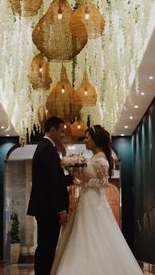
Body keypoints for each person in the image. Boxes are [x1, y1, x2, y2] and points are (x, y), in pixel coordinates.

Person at [51, 125, 143, 275]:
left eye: (87, 138)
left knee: (94, 234)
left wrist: (84, 179)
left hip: (94, 202)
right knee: (81, 235)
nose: (85, 140)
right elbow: (86, 178)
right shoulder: (92, 157)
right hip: (86, 198)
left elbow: (104, 182)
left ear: (96, 140)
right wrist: (75, 172)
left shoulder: (101, 158)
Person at [27, 117, 73, 275]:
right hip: (49, 209)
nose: (63, 135)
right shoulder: (47, 149)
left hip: (46, 208)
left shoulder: (47, 147)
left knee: (46, 247)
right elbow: (52, 181)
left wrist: (73, 178)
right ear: (52, 130)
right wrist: (61, 209)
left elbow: (55, 178)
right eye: (61, 131)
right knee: (47, 248)